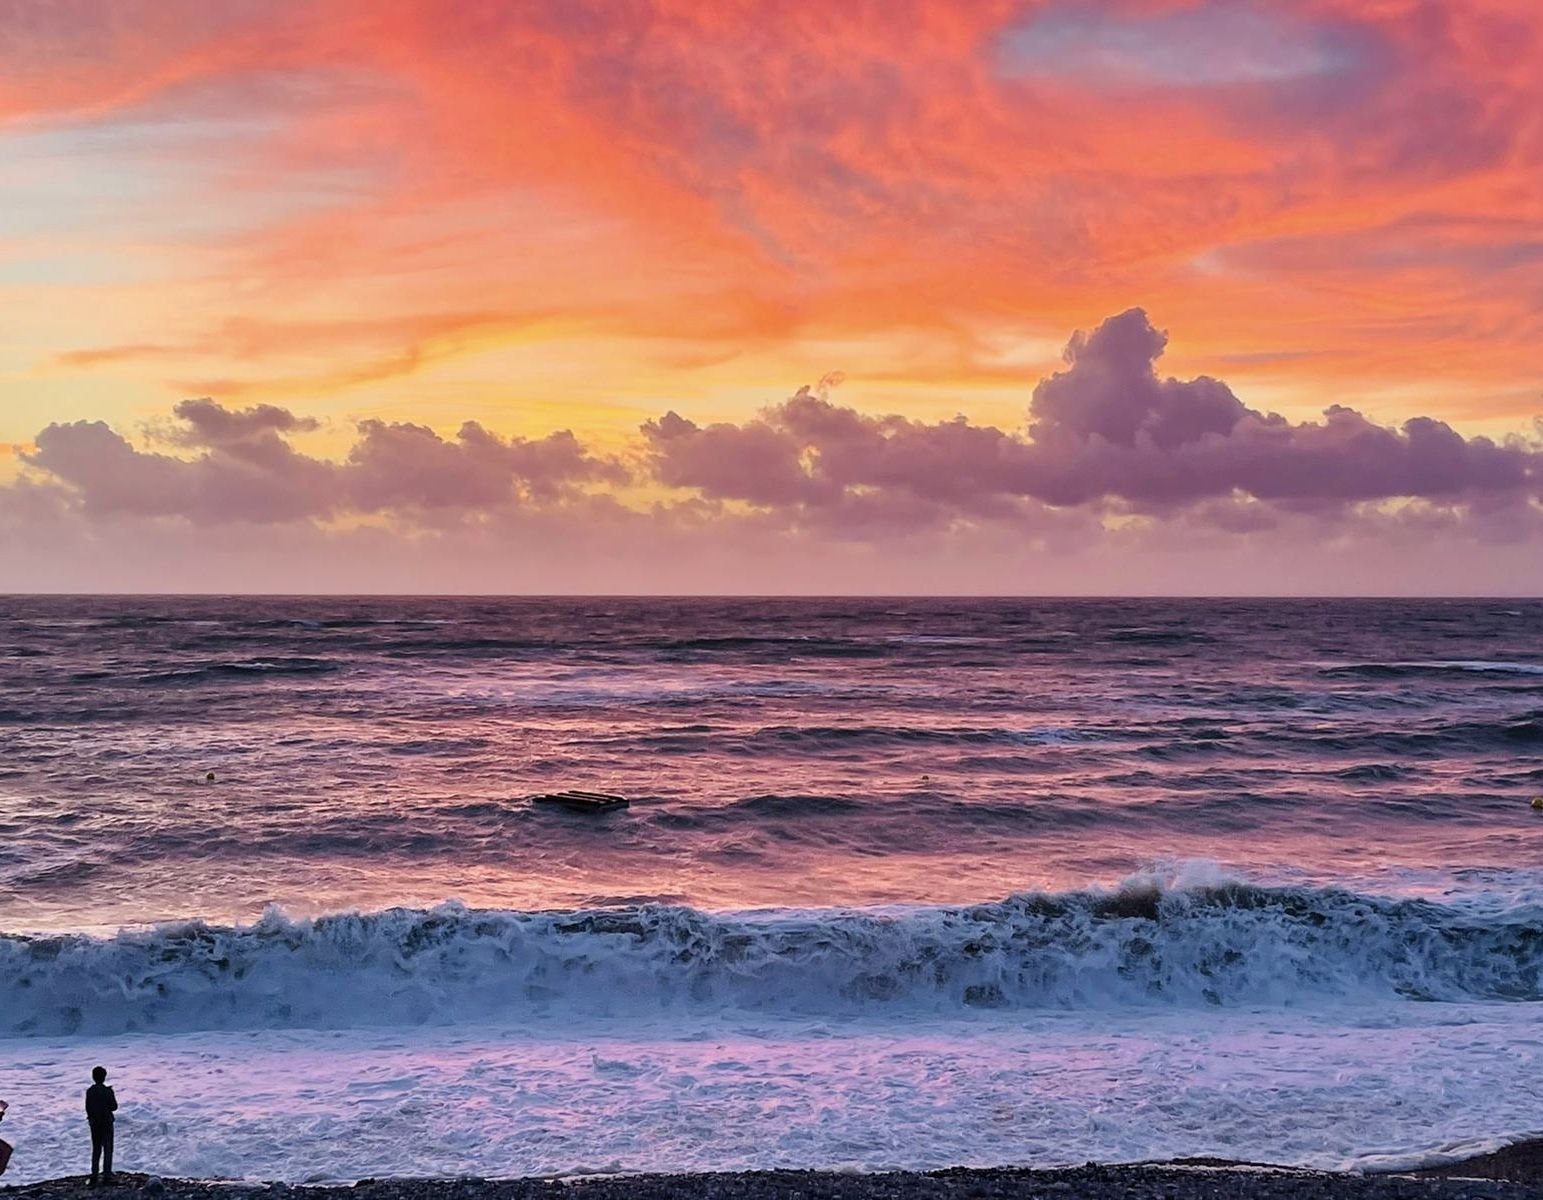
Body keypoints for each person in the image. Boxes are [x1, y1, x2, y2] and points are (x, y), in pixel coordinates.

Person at [85, 1066, 117, 1185]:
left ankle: (94, 1175)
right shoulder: (108, 1091)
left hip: (95, 1123)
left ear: (93, 1077)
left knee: (96, 1149)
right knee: (108, 1149)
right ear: (104, 1077)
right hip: (107, 1122)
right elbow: (114, 1106)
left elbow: (88, 1108)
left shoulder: (90, 1091)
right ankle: (107, 1175)